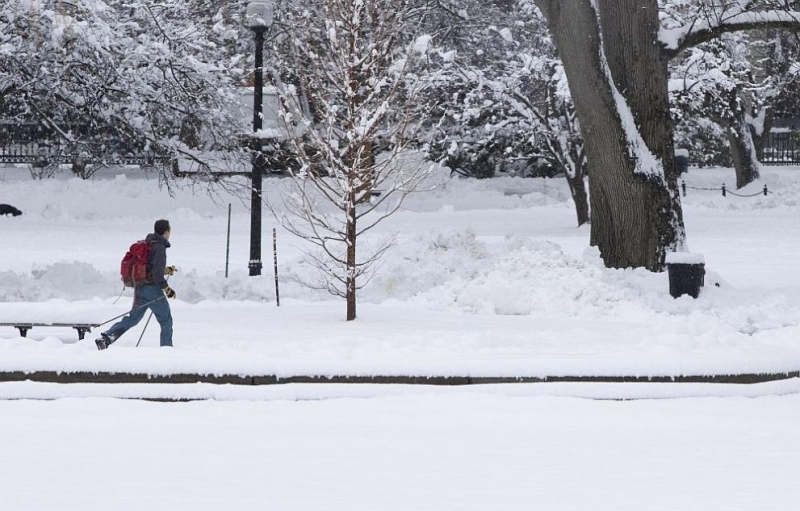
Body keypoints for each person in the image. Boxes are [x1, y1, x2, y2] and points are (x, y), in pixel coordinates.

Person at [96, 219, 178, 350]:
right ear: (166, 232)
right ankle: (166, 349)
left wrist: (167, 270)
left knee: (133, 318)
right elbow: (156, 275)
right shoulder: (159, 248)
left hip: (140, 288)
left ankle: (106, 337)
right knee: (166, 320)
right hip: (152, 290)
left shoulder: (149, 243)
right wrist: (167, 289)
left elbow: (150, 268)